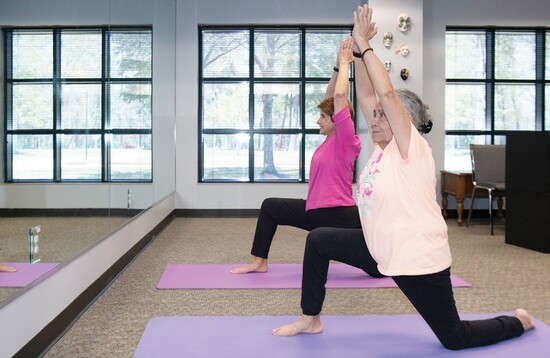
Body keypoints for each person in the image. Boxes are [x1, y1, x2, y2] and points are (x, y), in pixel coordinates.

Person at [272, 5, 536, 350]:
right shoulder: (381, 151)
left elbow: (386, 95)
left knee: (454, 338)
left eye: (384, 116)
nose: (375, 120)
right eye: (375, 117)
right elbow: (367, 95)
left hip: (416, 258)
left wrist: (366, 47)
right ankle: (311, 318)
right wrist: (357, 49)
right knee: (319, 239)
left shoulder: (412, 148)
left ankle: (518, 322)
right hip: (379, 247)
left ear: (405, 123)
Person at [231, 38, 363, 274]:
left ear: (338, 120)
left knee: (376, 266)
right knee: (271, 207)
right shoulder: (330, 140)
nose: (317, 120)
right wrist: (336, 65)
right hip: (316, 211)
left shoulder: (346, 140)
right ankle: (260, 261)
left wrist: (346, 64)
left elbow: (340, 98)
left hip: (337, 215)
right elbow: (333, 96)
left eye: (323, 116)